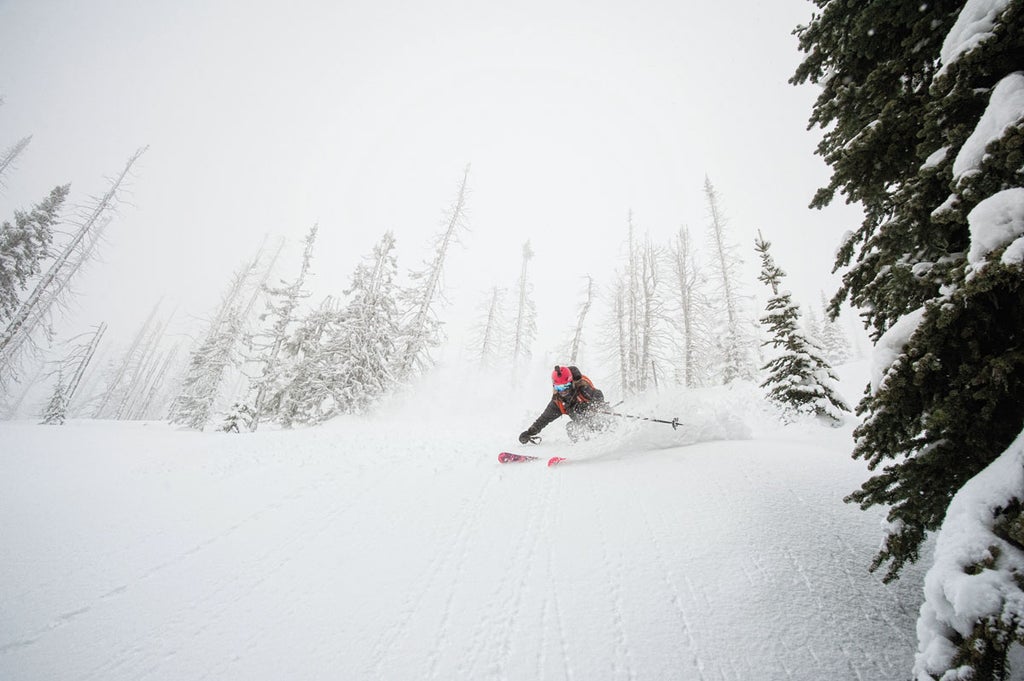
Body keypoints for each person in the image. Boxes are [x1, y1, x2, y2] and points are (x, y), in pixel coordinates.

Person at [519, 365, 609, 444]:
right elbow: (544, 419)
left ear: (571, 383)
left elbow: (598, 395)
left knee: (599, 421)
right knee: (571, 427)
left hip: (599, 418)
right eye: (559, 387)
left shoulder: (583, 388)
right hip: (584, 425)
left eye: (565, 386)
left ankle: (605, 440)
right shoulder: (558, 401)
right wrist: (529, 432)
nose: (563, 391)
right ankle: (584, 447)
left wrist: (589, 406)